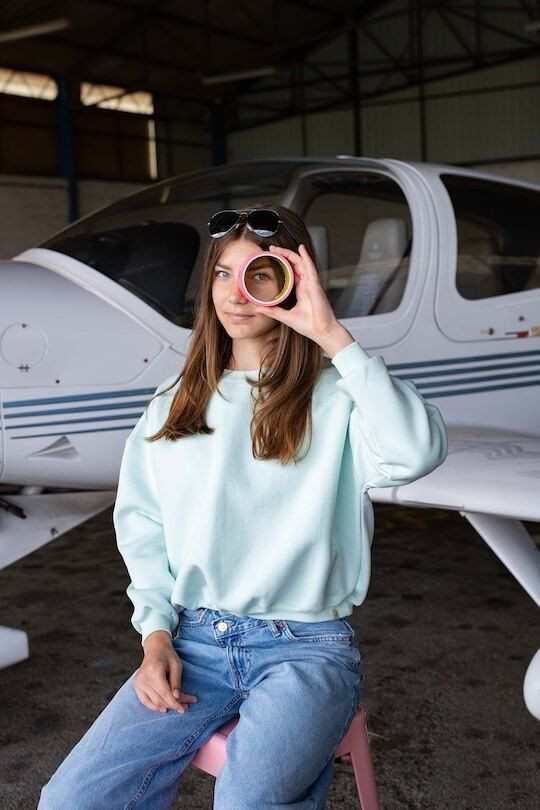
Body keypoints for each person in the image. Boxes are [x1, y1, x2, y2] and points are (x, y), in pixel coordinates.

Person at [38, 204, 448, 809]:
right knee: (69, 801)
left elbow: (417, 451)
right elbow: (142, 527)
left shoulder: (339, 397)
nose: (236, 293)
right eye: (223, 274)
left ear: (290, 282)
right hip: (193, 640)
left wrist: (332, 335)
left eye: (258, 275)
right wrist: (154, 638)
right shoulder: (172, 405)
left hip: (305, 648)